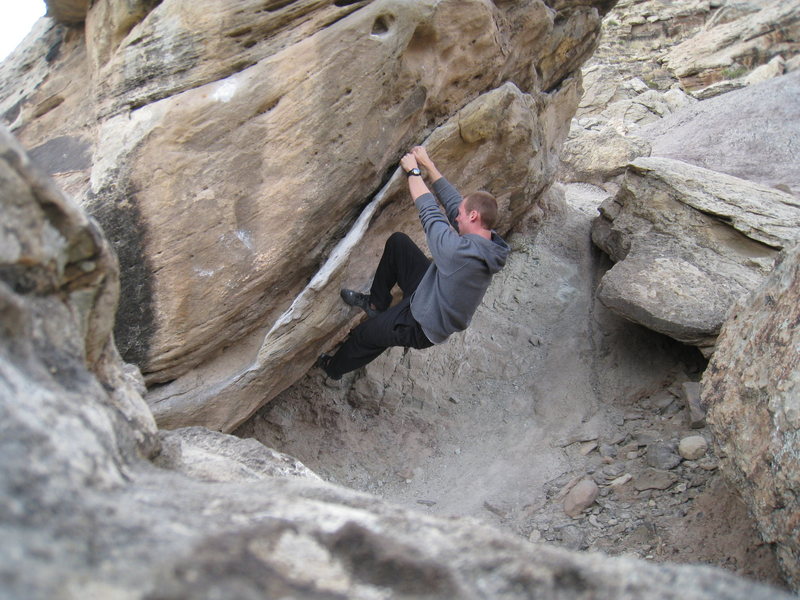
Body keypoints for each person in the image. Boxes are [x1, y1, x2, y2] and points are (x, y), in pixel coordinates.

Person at [317, 146, 510, 380]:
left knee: (365, 335)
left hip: (422, 323)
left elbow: (430, 212)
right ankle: (376, 305)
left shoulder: (459, 253)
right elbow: (452, 204)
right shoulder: (488, 243)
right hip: (433, 291)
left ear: (472, 217)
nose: (456, 215)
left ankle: (333, 368)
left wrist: (414, 172)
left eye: (461, 213)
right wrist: (428, 165)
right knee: (399, 244)